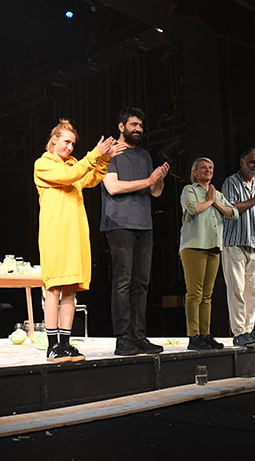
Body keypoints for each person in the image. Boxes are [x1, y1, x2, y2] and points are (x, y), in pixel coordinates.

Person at [34, 119, 126, 362]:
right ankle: (52, 345)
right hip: (55, 234)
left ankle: (65, 344)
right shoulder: (43, 164)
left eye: (73, 144)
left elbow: (89, 179)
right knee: (53, 288)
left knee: (71, 289)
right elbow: (69, 176)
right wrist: (94, 154)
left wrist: (104, 159)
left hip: (75, 233)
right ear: (54, 140)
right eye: (66, 142)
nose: (70, 147)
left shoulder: (73, 164)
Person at [100, 107, 170, 356]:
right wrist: (148, 181)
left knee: (141, 282)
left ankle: (139, 336)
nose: (139, 129)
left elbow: (155, 192)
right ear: (121, 127)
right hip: (119, 224)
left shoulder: (144, 155)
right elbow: (113, 187)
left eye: (141, 125)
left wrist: (158, 178)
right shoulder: (110, 153)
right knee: (123, 281)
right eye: (133, 125)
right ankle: (123, 339)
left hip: (144, 225)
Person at [178, 157, 238, 350]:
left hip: (213, 246)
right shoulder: (190, 190)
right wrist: (210, 201)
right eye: (203, 167)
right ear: (195, 173)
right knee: (194, 293)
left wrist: (215, 202)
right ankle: (193, 336)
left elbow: (234, 213)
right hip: (194, 245)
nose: (208, 170)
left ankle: (205, 335)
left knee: (207, 295)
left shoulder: (216, 194)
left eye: (210, 167)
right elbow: (193, 208)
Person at [221, 148, 255, 348]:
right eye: (252, 162)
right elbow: (230, 210)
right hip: (235, 242)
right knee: (237, 290)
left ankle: (249, 331)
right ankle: (239, 332)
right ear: (242, 162)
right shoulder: (231, 182)